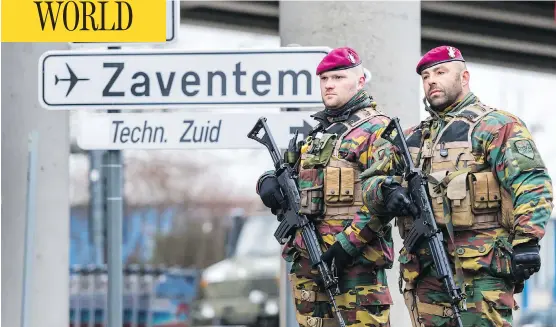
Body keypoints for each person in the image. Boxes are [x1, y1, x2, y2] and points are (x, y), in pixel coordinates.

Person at [361, 45, 554, 327]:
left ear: (464, 78)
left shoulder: (495, 126)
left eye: (440, 72)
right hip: (424, 272)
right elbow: (370, 182)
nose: (431, 81)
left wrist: (527, 239)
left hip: (482, 270)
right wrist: (387, 192)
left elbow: (532, 182)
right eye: (426, 76)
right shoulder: (412, 138)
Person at [256, 47, 396, 327]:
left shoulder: (377, 129)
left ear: (359, 82)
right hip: (308, 260)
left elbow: (381, 198)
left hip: (356, 265)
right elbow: (287, 172)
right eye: (324, 79)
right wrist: (266, 182)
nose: (329, 84)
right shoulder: (316, 132)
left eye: (338, 77)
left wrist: (345, 246)